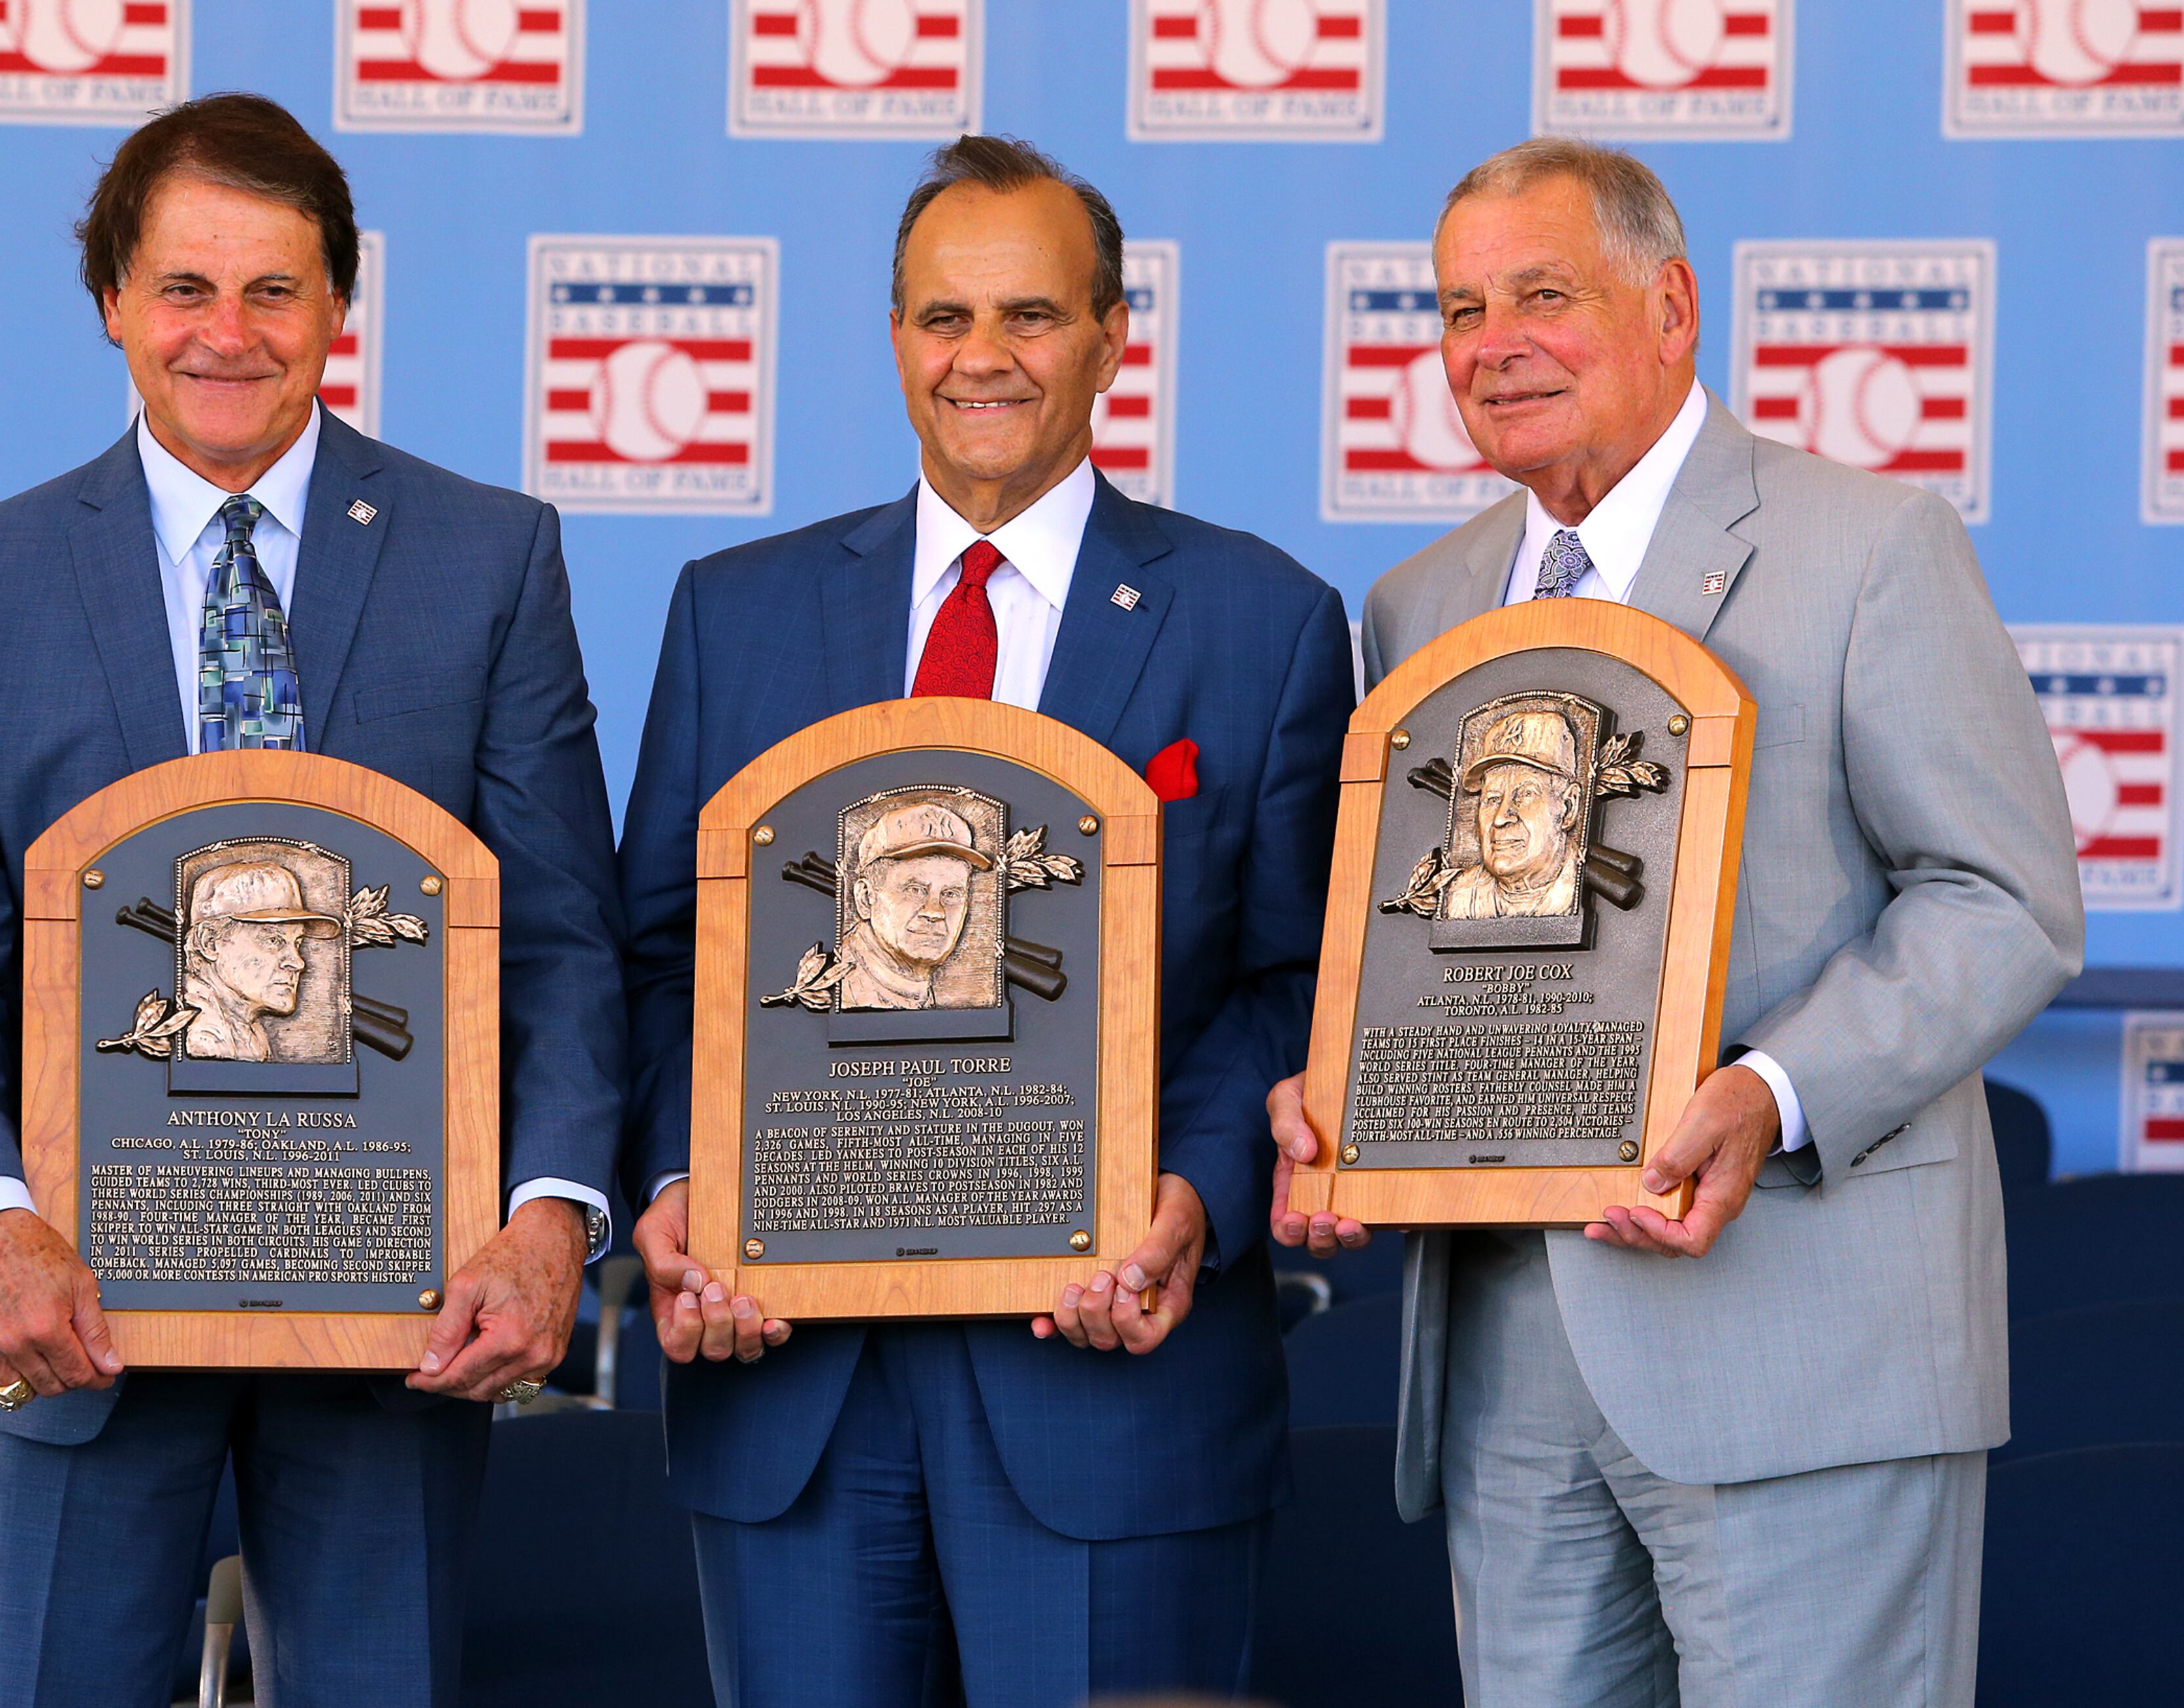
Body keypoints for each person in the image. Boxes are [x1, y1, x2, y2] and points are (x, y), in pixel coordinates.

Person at [1269, 138, 2083, 1706]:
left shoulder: (1866, 547)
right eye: (1456, 309)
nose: (1488, 341)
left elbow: (2001, 899)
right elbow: (1426, 948)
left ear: (1670, 307)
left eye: (1540, 295)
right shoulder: (1417, 605)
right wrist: (1339, 1096)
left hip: (1802, 1336)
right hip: (1507, 1355)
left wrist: (1767, 1093)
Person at [0, 93, 627, 1707]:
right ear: (113, 302)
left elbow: (557, 937)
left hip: (395, 1326)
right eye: (184, 288)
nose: (229, 332)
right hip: (64, 1329)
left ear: (340, 304)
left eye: (274, 289)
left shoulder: (489, 557)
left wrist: (552, 1212)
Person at [620, 135, 1354, 1706]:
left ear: (1108, 335)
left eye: (1029, 315)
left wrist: (1188, 1193)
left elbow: (1293, 977)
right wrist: (688, 1183)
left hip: (1109, 1382)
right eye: (942, 319)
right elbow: (661, 960)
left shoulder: (1262, 620)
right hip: (790, 1381)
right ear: (894, 336)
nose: (982, 358)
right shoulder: (733, 613)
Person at [178, 861, 341, 1061]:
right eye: (273, 940)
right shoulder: (204, 1036)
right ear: (210, 943)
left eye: (297, 943)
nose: (298, 963)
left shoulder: (246, 1030)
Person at [835, 800, 990, 1011]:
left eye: (951, 894)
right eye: (915, 890)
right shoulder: (841, 988)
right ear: (865, 898)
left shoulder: (913, 987)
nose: (935, 912)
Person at [1441, 710, 1583, 919]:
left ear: (1568, 808)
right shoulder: (1460, 897)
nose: (1500, 819)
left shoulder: (1577, 890)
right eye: (1492, 798)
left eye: (1526, 794)